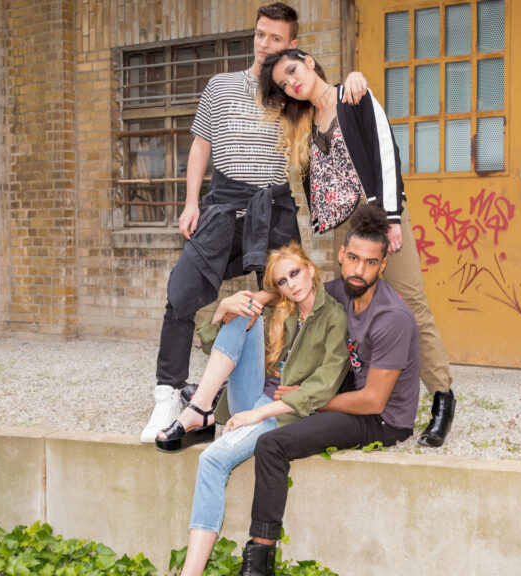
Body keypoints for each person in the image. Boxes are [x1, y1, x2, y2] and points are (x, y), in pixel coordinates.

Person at [142, 3, 369, 443]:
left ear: (293, 46)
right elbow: (200, 145)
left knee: (288, 292)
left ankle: (270, 386)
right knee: (182, 292)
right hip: (224, 204)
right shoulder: (221, 86)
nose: (266, 45)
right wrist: (191, 203)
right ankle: (168, 392)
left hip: (274, 207)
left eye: (276, 39)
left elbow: (329, 103)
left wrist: (352, 82)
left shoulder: (292, 93)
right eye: (260, 35)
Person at [257, 48, 456, 447]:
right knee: (347, 305)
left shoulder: (352, 94)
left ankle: (442, 398)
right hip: (340, 228)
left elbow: (386, 152)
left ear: (310, 61)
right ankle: (358, 385)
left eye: (293, 71)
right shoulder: (304, 123)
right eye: (283, 82)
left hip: (377, 215)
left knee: (411, 303)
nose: (291, 82)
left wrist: (392, 219)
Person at [234, 204, 420, 575]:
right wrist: (264, 297)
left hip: (380, 420)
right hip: (347, 391)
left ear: (383, 266)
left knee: (272, 445)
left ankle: (259, 561)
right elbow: (294, 289)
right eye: (353, 258)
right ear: (341, 255)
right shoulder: (340, 289)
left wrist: (308, 400)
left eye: (370, 262)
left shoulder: (392, 318)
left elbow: (373, 401)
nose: (359, 270)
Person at [157, 242, 349, 576]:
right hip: (253, 397)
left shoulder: (333, 317)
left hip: (280, 413)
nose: (292, 284)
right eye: (283, 281)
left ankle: (190, 572)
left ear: (311, 269)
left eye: (295, 273)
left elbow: (325, 384)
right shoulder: (282, 308)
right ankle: (200, 407)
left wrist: (259, 414)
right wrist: (223, 309)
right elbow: (211, 342)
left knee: (212, 460)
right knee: (244, 312)